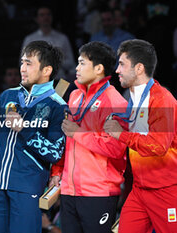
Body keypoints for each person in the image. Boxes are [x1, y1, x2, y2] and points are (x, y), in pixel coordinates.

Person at [0, 40, 67, 233]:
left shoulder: (57, 106)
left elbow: (55, 152)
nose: (22, 69)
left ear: (46, 70)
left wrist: (25, 129)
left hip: (27, 186)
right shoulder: (7, 96)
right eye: (22, 63)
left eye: (29, 63)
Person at [49, 41, 128, 233]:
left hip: (98, 192)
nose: (76, 68)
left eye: (82, 63)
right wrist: (57, 172)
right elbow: (66, 140)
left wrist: (78, 133)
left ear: (99, 68)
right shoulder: (75, 96)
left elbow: (115, 148)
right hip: (69, 190)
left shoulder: (115, 101)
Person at [104, 39, 177, 233]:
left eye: (122, 64)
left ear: (138, 68)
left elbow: (159, 146)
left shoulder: (162, 99)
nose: (117, 70)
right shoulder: (134, 98)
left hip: (166, 191)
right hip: (139, 189)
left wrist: (121, 135)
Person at [22, 6, 76, 80]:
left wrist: (55, 61)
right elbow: (23, 62)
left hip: (59, 79)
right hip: (37, 82)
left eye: (48, 14)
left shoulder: (63, 38)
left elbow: (71, 62)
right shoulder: (29, 39)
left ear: (52, 17)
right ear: (36, 19)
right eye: (42, 15)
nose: (46, 17)